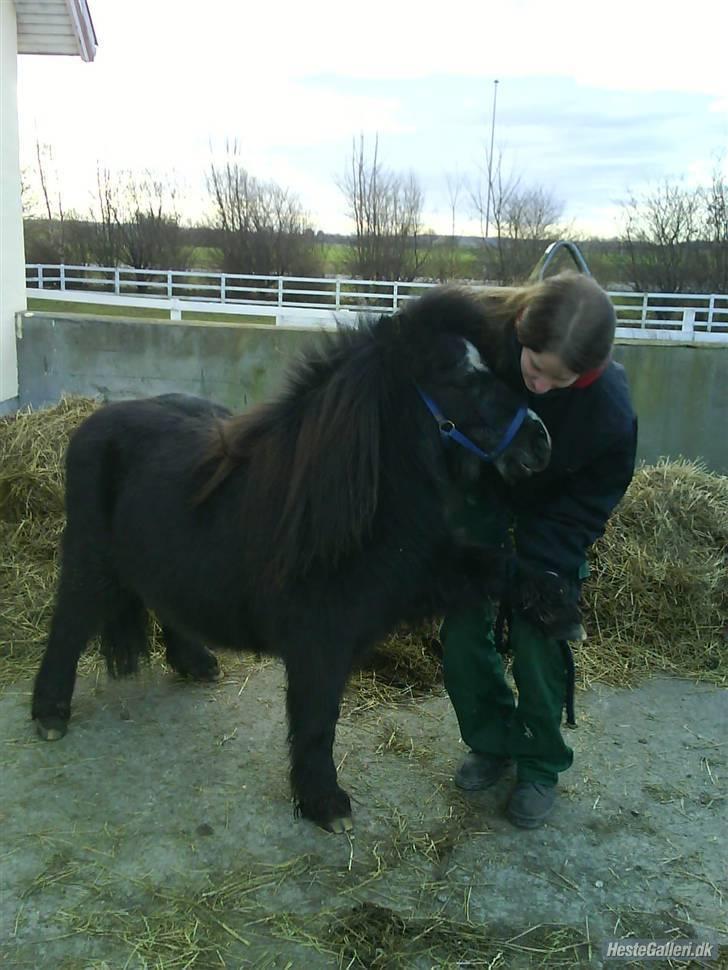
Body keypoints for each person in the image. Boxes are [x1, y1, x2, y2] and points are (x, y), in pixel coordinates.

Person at [441, 270, 638, 829]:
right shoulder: (487, 341)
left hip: (553, 515)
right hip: (482, 488)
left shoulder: (609, 411)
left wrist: (544, 560)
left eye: (563, 379)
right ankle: (491, 737)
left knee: (539, 635)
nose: (542, 388)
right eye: (534, 367)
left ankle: (540, 763)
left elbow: (596, 492)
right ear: (522, 330)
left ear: (589, 371)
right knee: (460, 626)